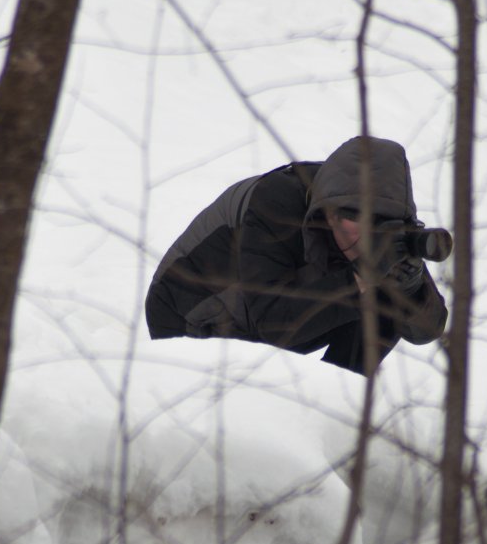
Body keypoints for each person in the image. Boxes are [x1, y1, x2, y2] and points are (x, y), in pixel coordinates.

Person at [145, 136, 448, 374]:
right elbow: (272, 323)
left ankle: (344, 406)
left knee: (383, 293)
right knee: (362, 285)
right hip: (188, 317)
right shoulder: (276, 203)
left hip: (267, 316)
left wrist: (410, 287)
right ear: (330, 214)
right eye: (361, 224)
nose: (369, 238)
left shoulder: (386, 224)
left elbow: (427, 331)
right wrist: (359, 277)